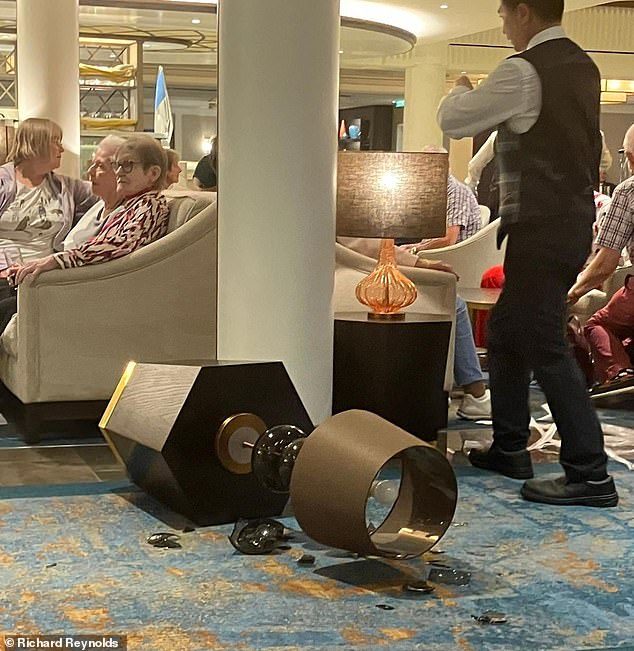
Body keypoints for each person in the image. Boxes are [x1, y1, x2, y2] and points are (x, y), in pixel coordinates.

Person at [437, 0, 617, 507]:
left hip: (543, 226)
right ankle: (511, 447)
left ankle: (590, 473)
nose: (502, 26)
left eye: (502, 15)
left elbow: (453, 120)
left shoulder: (523, 71)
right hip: (563, 222)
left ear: (521, 12)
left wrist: (460, 90)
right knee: (509, 331)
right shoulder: (583, 66)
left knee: (543, 341)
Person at [1, 136, 170, 332]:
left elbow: (118, 244)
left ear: (153, 173)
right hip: (76, 285)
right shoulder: (130, 204)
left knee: (6, 307)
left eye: (128, 165)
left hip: (92, 293)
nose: (119, 172)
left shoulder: (151, 205)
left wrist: (55, 261)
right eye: (117, 165)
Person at [338, 238, 491, 420]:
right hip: (363, 276)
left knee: (454, 301)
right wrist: (419, 262)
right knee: (454, 303)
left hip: (357, 271)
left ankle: (462, 391)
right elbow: (363, 242)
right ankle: (475, 393)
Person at [568, 124, 634, 394]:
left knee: (598, 324)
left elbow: (606, 263)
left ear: (629, 157)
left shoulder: (628, 191)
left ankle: (620, 375)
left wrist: (572, 293)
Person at [0, 118, 97, 266]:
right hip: (4, 272)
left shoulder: (65, 186)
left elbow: (106, 193)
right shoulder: (3, 182)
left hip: (46, 273)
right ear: (35, 144)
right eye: (56, 141)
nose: (62, 149)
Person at [63, 135, 126, 250]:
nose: (90, 171)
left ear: (119, 172)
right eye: (92, 164)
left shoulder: (124, 214)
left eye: (100, 166)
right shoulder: (101, 205)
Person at [400, 173, 482, 252]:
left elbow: (448, 240)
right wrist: (412, 247)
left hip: (452, 255)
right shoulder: (435, 192)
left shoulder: (456, 191)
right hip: (433, 251)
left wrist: (415, 249)